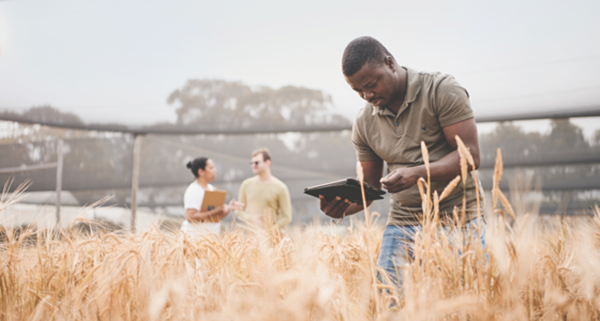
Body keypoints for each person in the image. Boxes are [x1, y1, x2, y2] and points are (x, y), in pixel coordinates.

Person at [319, 36, 485, 286]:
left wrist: (416, 173)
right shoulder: (364, 122)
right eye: (357, 90)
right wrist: (342, 207)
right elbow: (370, 188)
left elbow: (470, 155)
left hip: (459, 216)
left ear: (390, 63)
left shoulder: (441, 90)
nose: (366, 94)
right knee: (389, 302)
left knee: (465, 296)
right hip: (403, 221)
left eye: (371, 84)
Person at [181, 157, 243, 236]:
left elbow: (215, 217)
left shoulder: (211, 188)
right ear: (201, 171)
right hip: (194, 239)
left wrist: (228, 208)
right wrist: (215, 211)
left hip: (210, 239)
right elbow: (190, 217)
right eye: (211, 168)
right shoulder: (193, 190)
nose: (215, 170)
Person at [237, 148, 292, 229]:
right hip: (253, 237)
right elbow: (240, 212)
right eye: (251, 163)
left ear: (267, 163)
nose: (253, 165)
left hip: (274, 239)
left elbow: (287, 217)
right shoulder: (246, 185)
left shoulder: (281, 187)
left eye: (256, 163)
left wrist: (271, 232)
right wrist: (250, 218)